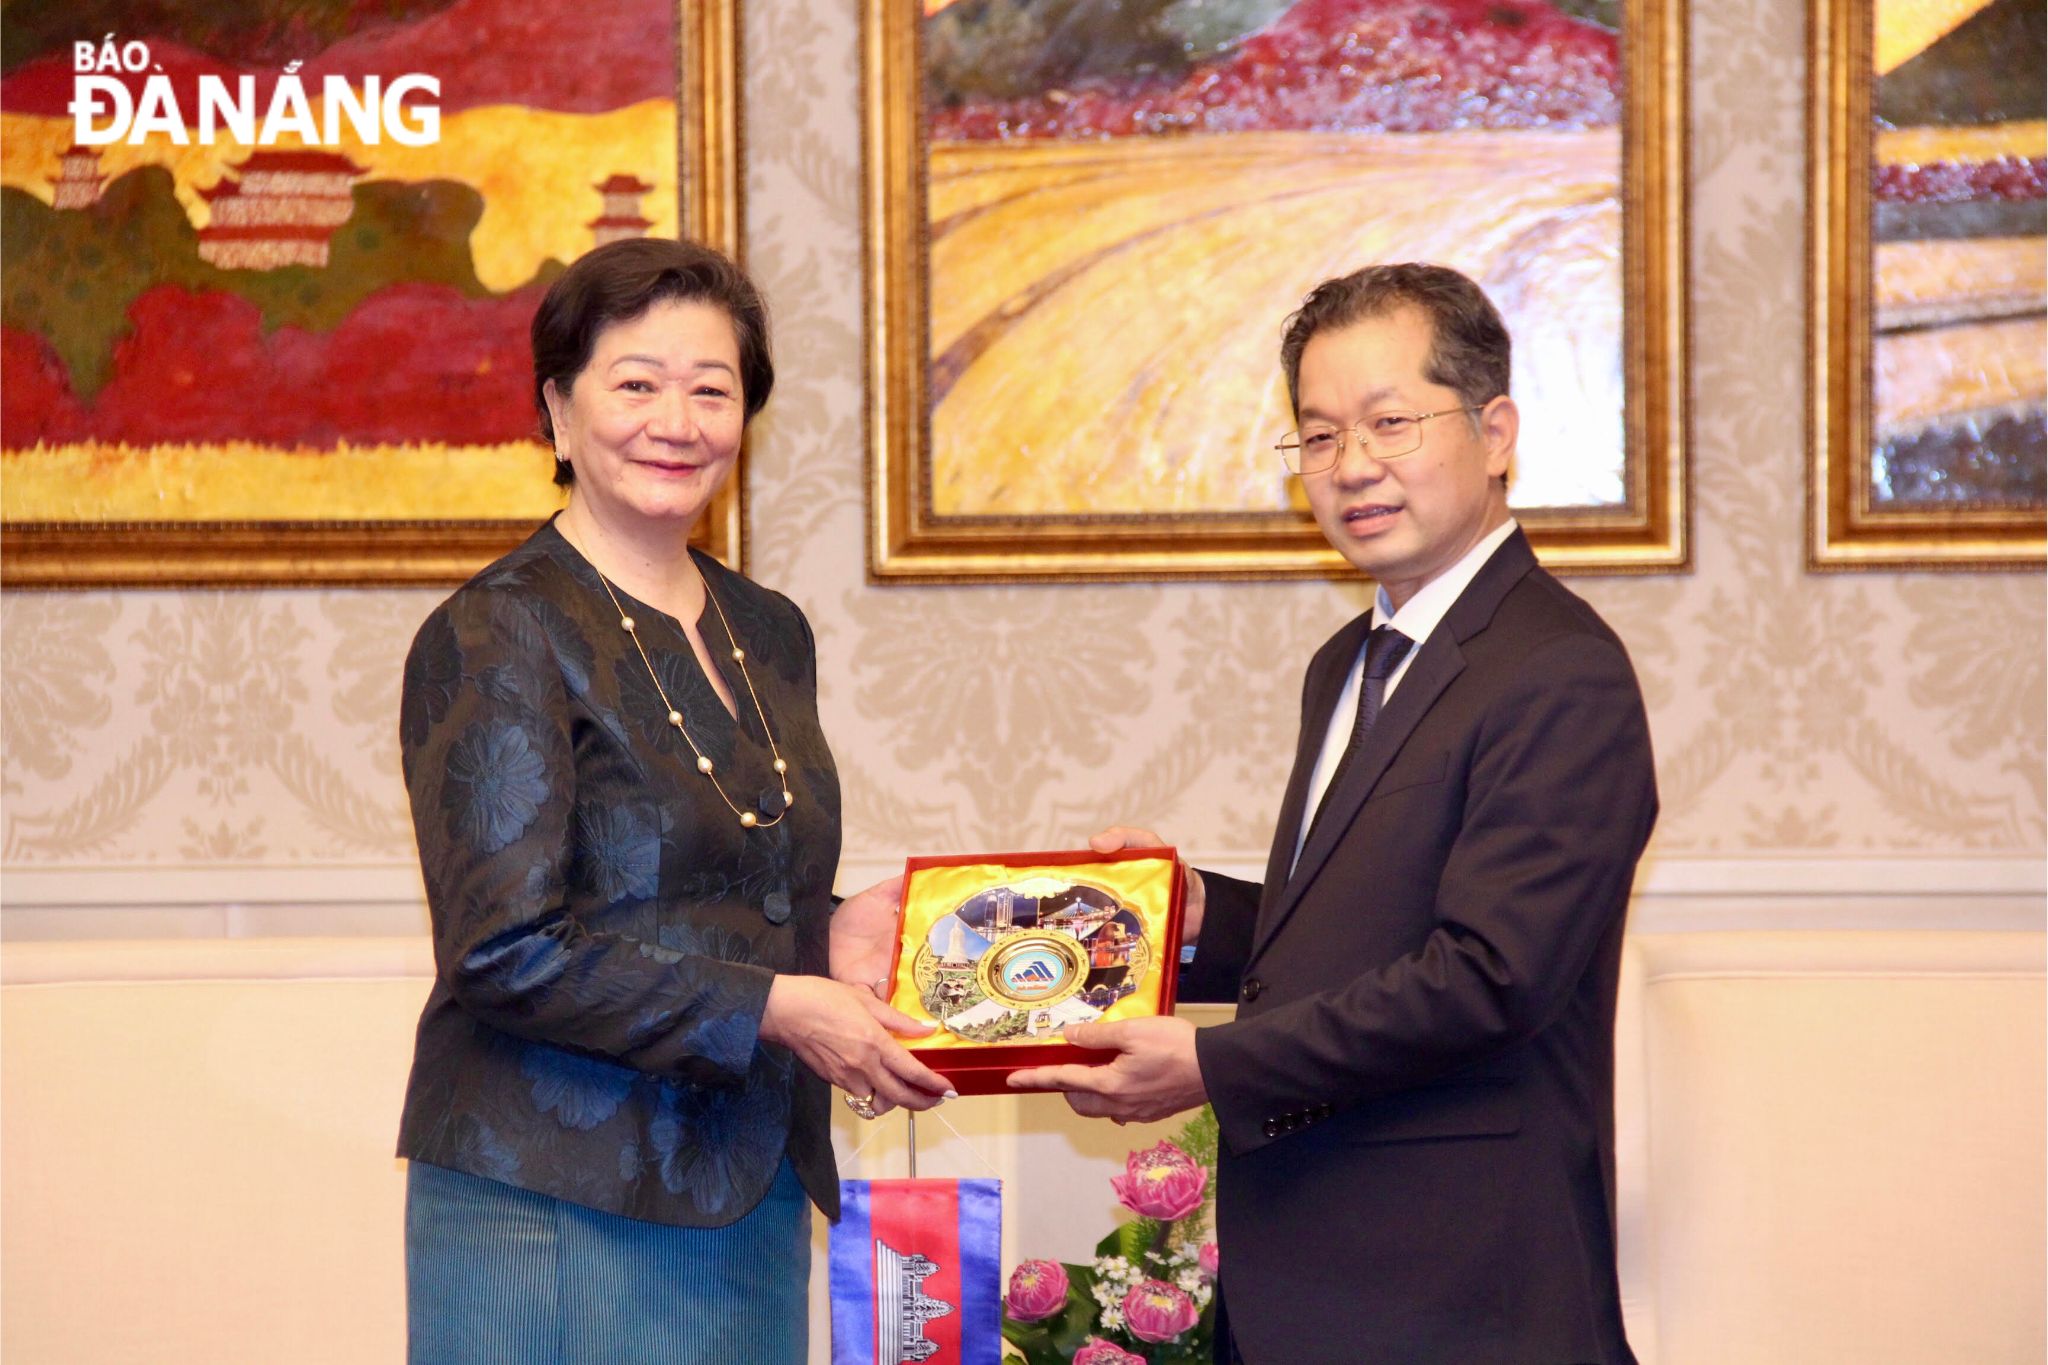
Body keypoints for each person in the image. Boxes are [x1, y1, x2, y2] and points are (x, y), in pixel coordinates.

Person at [1011, 263, 1657, 1363]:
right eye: (1316, 436)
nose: (1351, 465)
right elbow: (1360, 932)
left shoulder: (1556, 670)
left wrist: (1211, 1067)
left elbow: (1486, 977)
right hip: (1318, 1283)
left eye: (1389, 423)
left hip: (1460, 1290)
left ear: (1494, 432)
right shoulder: (1351, 664)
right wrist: (1185, 914)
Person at [395, 236, 949, 1365]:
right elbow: (503, 950)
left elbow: (713, 874)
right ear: (558, 410)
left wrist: (825, 931)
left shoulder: (767, 629)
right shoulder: (499, 628)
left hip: (745, 1175)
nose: (677, 419)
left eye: (713, 389)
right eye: (635, 383)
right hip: (553, 1190)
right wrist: (777, 1008)